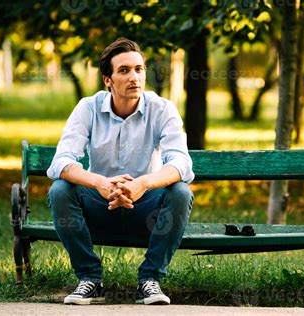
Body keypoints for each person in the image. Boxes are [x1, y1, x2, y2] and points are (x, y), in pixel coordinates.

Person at [46, 38, 194, 305]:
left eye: (139, 69)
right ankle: (90, 279)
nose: (134, 77)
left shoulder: (162, 108)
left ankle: (150, 280)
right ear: (108, 80)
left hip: (145, 211)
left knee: (181, 192)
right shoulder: (88, 108)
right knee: (59, 190)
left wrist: (143, 185)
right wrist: (101, 183)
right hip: (99, 207)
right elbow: (61, 162)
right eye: (124, 70)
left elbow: (181, 164)